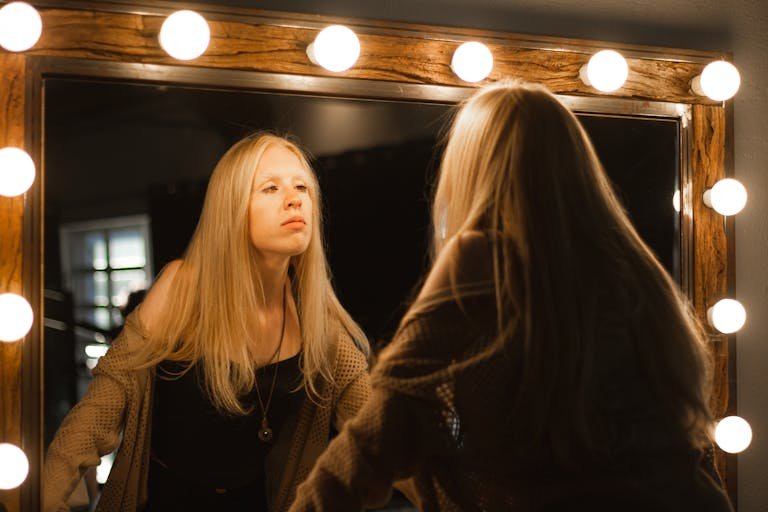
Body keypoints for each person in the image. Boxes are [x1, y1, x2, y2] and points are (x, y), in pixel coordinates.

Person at [288, 81, 734, 511]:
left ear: (473, 172)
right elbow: (694, 463)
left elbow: (361, 457)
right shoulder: (635, 276)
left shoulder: (480, 257)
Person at [44, 133, 371, 512]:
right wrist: (41, 500)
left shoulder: (316, 317)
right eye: (269, 187)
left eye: (302, 186)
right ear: (231, 209)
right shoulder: (182, 290)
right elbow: (95, 417)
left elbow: (378, 429)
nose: (295, 198)